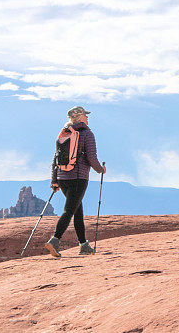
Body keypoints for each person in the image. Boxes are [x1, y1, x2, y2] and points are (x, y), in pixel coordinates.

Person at [46, 106, 106, 257]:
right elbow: (92, 158)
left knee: (77, 210)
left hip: (62, 178)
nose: (87, 117)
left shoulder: (64, 134)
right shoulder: (87, 134)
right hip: (78, 178)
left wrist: (54, 181)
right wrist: (100, 170)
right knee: (69, 211)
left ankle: (84, 245)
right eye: (85, 115)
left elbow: (55, 159)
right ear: (81, 117)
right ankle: (55, 240)